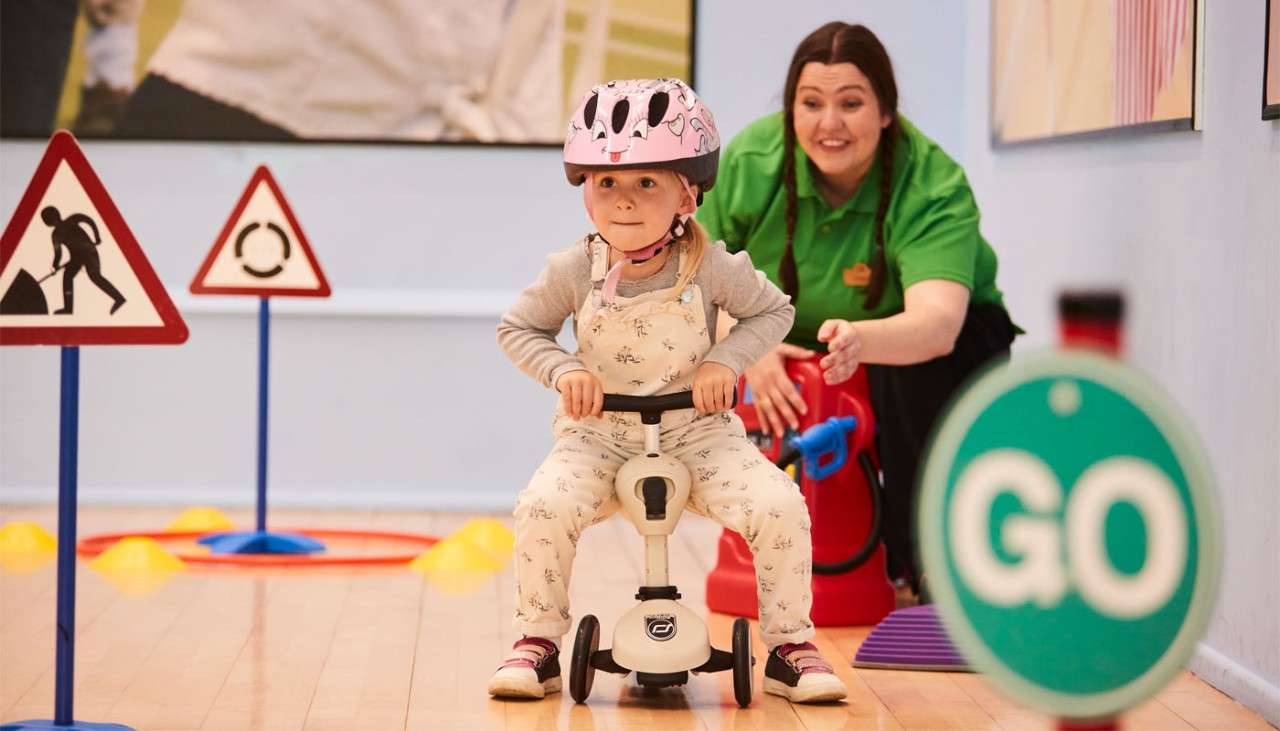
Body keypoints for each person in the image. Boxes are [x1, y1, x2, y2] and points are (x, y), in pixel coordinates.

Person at [491, 78, 848, 704]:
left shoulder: (712, 266)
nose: (623, 202)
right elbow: (518, 328)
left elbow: (776, 312)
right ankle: (539, 641)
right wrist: (563, 370)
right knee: (543, 506)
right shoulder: (575, 269)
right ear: (585, 194)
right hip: (599, 436)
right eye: (607, 184)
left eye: (646, 183)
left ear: (687, 193)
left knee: (780, 505)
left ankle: (790, 647)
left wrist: (726, 360)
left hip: (697, 433)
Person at [698, 23, 1019, 596]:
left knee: (902, 375)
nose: (829, 124)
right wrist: (746, 348)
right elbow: (695, 281)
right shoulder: (751, 161)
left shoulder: (931, 181)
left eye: (851, 104)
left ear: (886, 112)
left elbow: (938, 325)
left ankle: (927, 568)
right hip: (787, 337)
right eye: (811, 103)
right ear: (791, 109)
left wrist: (862, 344)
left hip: (929, 344)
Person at [42, 205, 126, 315]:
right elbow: (58, 253)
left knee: (94, 276)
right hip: (77, 257)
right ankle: (68, 309)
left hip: (89, 253)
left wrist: (97, 236)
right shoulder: (58, 233)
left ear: (47, 223)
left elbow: (88, 220)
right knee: (68, 276)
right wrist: (55, 266)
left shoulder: (68, 223)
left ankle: (119, 298)